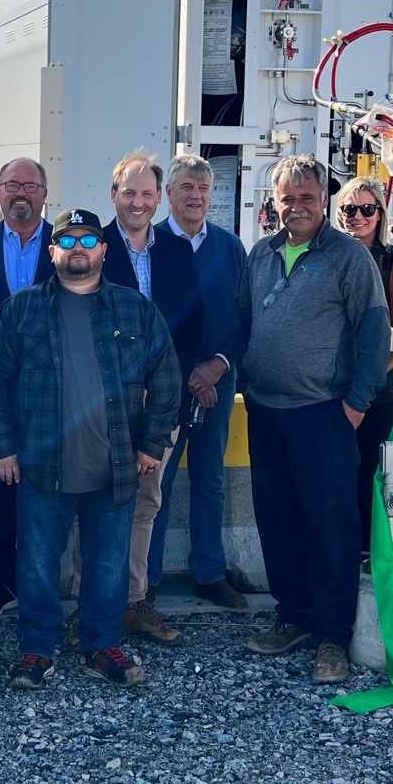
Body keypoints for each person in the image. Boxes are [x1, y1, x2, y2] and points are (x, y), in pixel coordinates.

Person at [0, 208, 180, 691]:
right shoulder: (21, 310)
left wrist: (153, 444)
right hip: (41, 467)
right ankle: (37, 648)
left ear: (104, 250)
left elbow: (168, 379)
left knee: (108, 563)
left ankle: (101, 644)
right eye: (67, 243)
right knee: (38, 563)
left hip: (116, 465)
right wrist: (2, 448)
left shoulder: (136, 309)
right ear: (53, 253)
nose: (78, 251)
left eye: (88, 241)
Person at [230, 156, 390, 686]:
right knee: (278, 521)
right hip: (267, 411)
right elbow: (243, 324)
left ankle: (332, 637)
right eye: (287, 199)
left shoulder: (349, 258)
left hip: (325, 413)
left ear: (324, 201)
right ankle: (293, 616)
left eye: (306, 198)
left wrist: (356, 404)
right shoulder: (261, 254)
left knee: (330, 527)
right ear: (273, 202)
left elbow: (374, 335)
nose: (295, 207)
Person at [99, 151, 201, 645]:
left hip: (160, 408)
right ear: (113, 194)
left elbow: (189, 329)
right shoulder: (89, 246)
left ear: (158, 198)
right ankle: (93, 607)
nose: (137, 203)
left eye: (146, 194)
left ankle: (134, 602)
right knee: (94, 505)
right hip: (102, 409)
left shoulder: (179, 253)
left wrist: (159, 393)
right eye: (128, 192)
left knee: (146, 504)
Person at [146, 153, 249, 610]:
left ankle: (209, 571)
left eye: (204, 189)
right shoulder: (150, 244)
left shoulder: (229, 248)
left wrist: (217, 367)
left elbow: (245, 318)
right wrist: (185, 374)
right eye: (186, 187)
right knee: (157, 481)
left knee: (210, 478)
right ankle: (143, 581)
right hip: (164, 385)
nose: (196, 196)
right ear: (168, 194)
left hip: (217, 381)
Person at [0, 157, 55, 622]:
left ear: (45, 193)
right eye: (11, 184)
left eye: (30, 185)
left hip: (50, 391)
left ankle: (37, 585)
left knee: (44, 490)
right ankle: (0, 583)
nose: (20, 192)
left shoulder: (64, 245)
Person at [334, 175, 393, 565]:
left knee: (369, 477)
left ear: (380, 214)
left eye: (367, 209)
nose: (358, 216)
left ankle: (369, 561)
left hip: (377, 393)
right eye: (350, 209)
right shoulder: (325, 256)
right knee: (334, 477)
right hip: (329, 388)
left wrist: (364, 385)